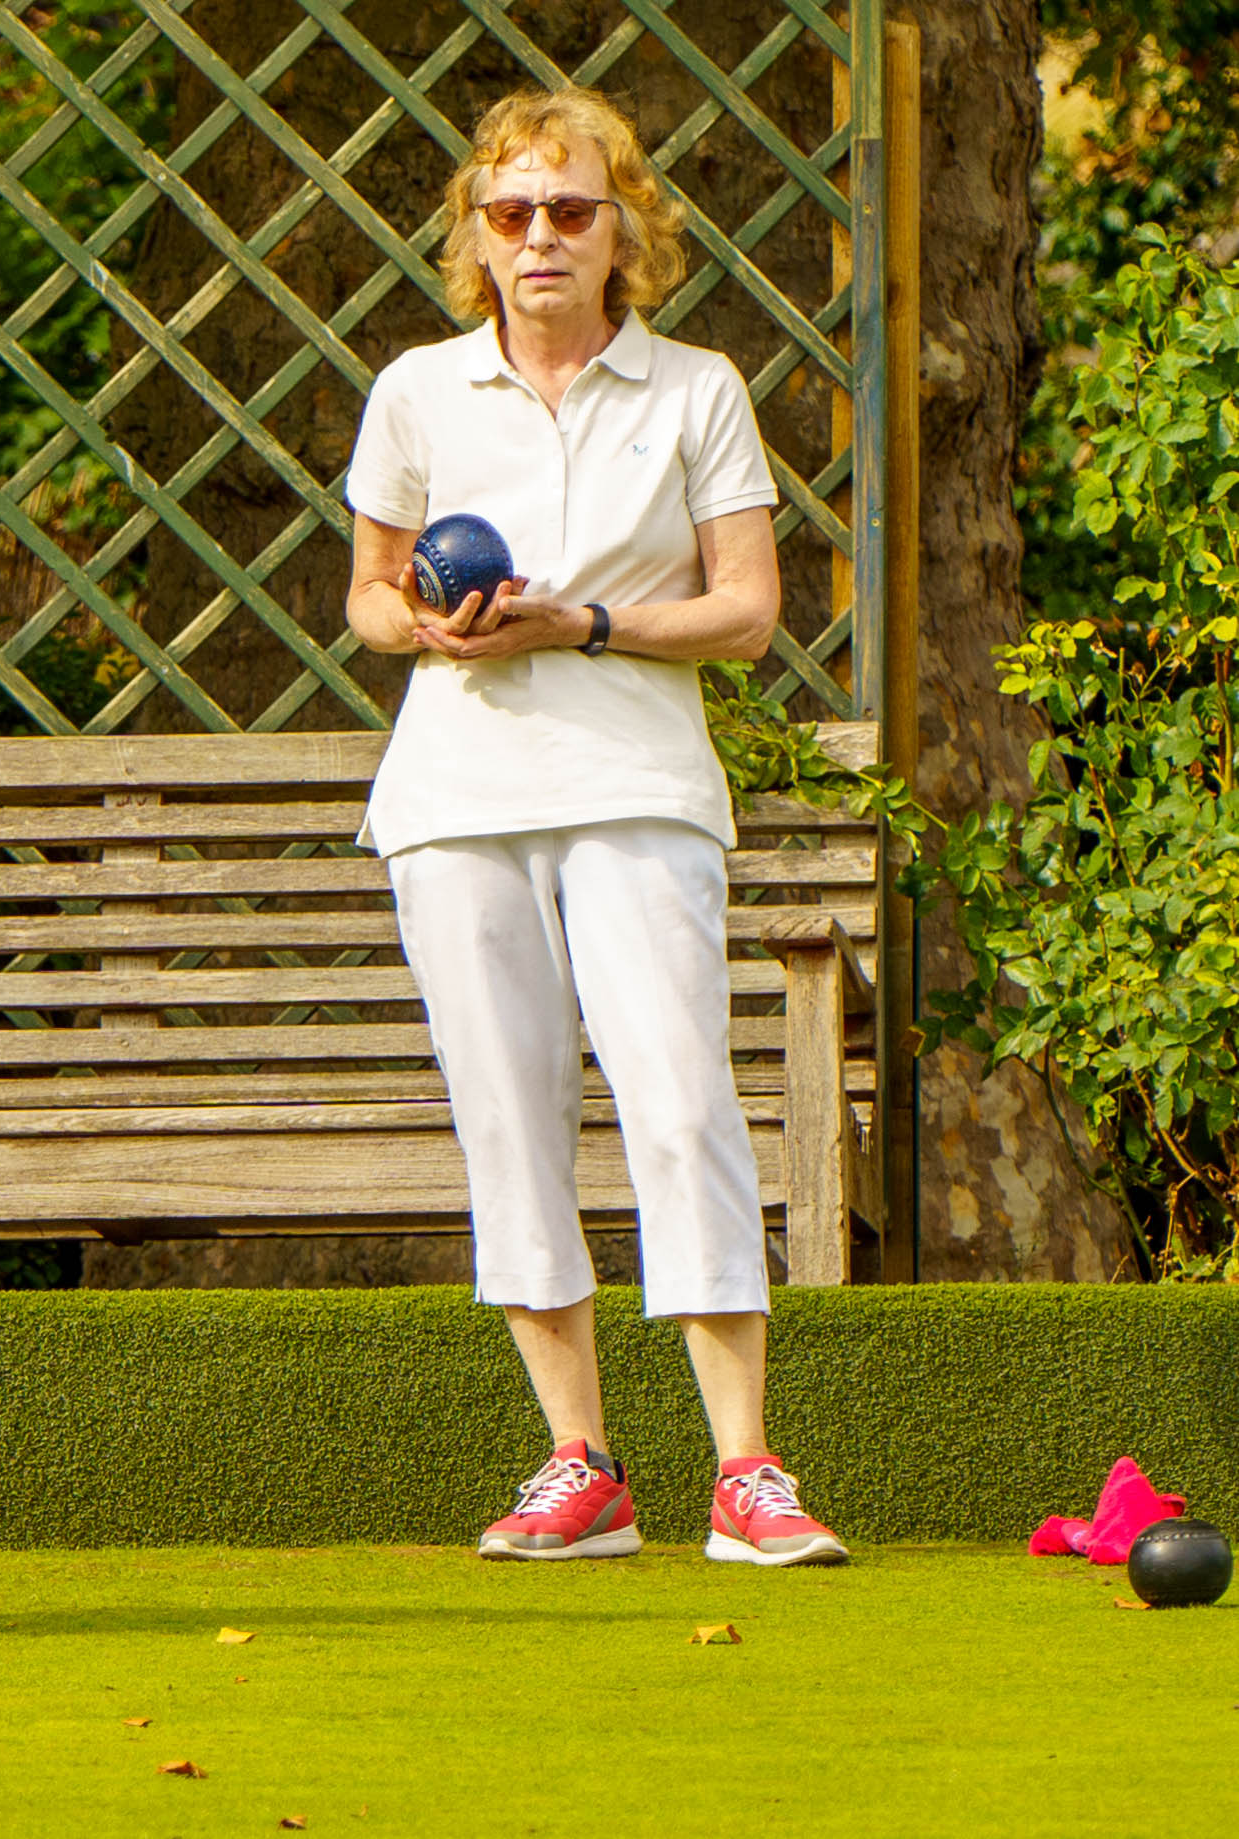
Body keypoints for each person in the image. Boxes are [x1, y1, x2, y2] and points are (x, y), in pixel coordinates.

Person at [341, 88, 847, 1566]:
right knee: (507, 1118)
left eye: (569, 208)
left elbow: (746, 611)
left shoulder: (694, 388)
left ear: (624, 225)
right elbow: (368, 596)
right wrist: (430, 631)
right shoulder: (418, 392)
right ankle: (580, 1462)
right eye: (511, 214)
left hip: (638, 785)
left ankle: (745, 1471)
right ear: (474, 240)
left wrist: (587, 621)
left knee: (679, 1101)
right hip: (454, 797)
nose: (541, 236)